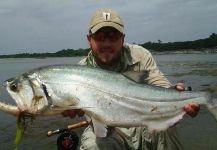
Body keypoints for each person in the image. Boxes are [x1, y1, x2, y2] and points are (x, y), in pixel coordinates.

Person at [63, 8, 200, 150]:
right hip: (108, 131)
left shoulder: (140, 54)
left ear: (123, 38)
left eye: (113, 36)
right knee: (93, 145)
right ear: (89, 39)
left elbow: (159, 83)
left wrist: (175, 97)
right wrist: (66, 106)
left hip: (144, 125)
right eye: (100, 36)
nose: (107, 43)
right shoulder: (79, 72)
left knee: (166, 128)